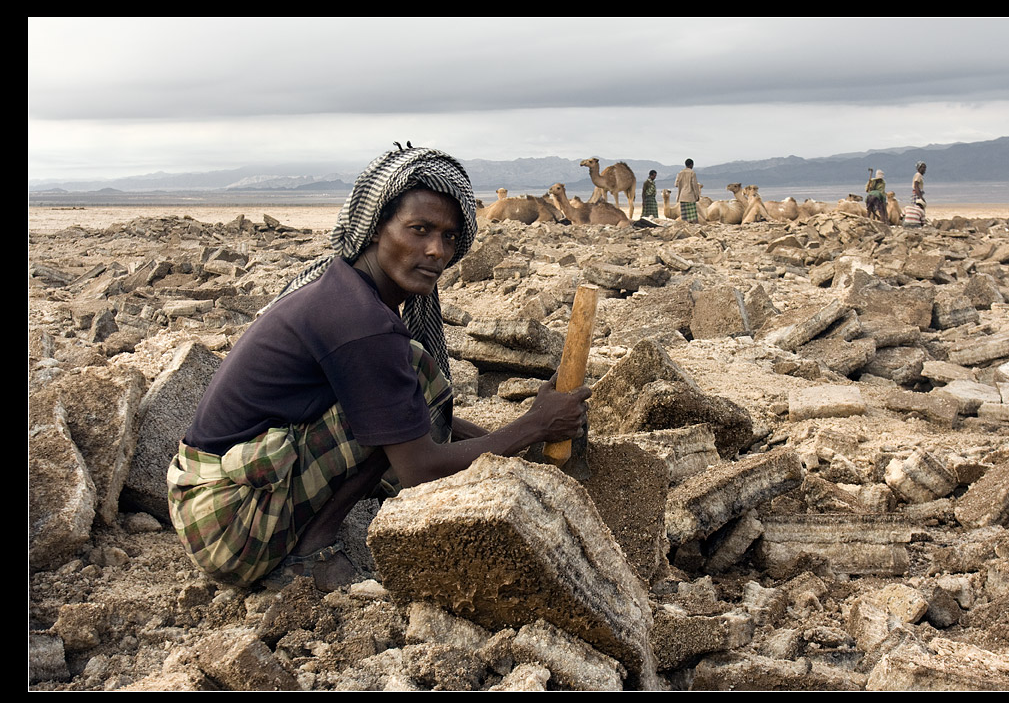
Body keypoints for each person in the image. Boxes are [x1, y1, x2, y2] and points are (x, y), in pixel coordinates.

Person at [166, 145, 591, 592]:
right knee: (414, 379)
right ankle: (312, 553)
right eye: (419, 230)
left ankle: (310, 536)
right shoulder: (361, 323)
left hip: (207, 501)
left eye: (448, 237)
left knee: (403, 389)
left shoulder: (341, 287)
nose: (436, 251)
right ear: (375, 228)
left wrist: (518, 432)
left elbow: (406, 415)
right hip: (227, 528)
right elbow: (420, 467)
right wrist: (534, 427)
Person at [675, 159, 700, 223]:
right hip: (690, 197)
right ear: (691, 165)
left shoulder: (680, 173)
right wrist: (697, 195)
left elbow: (676, 184)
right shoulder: (692, 173)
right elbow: (694, 185)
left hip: (682, 196)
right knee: (693, 217)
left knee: (685, 218)